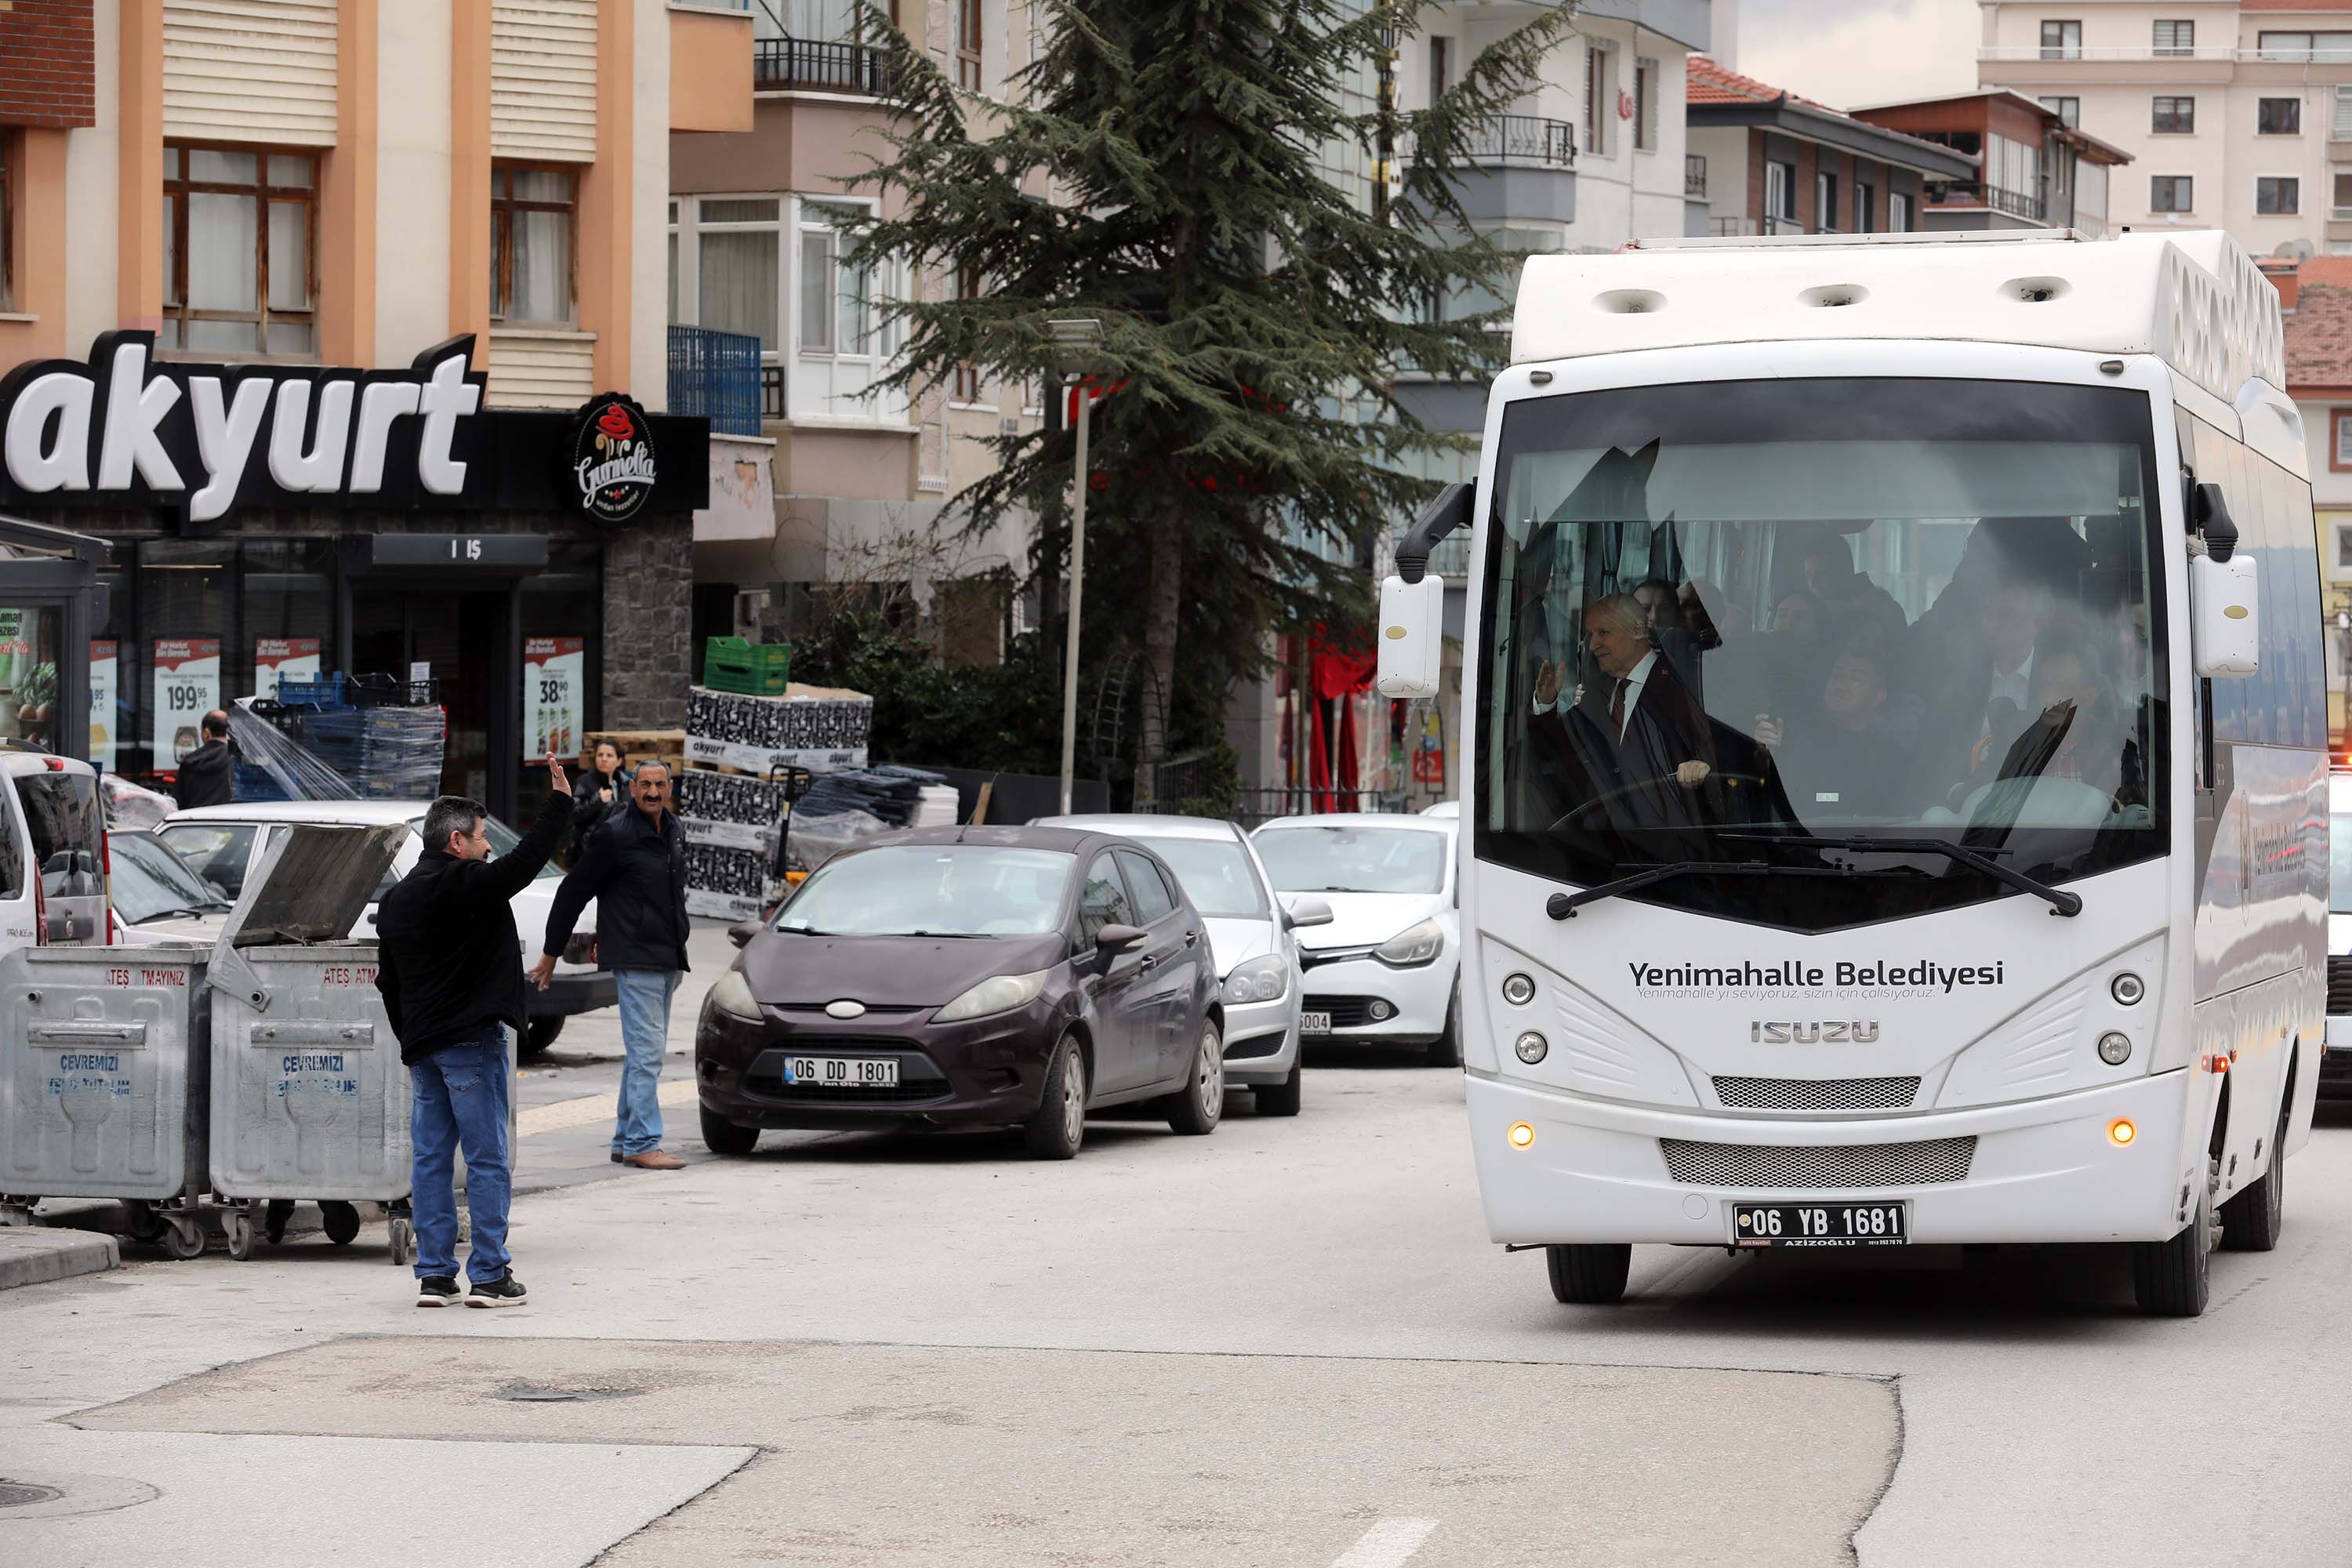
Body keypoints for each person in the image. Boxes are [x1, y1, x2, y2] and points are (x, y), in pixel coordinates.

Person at [374, 746, 573, 1308]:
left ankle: (435, 1277)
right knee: (486, 1159)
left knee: (431, 1160)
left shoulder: (395, 901)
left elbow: (388, 982)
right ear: (456, 842)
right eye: (483, 837)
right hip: (470, 1041)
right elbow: (526, 861)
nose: (489, 847)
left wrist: (409, 1038)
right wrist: (559, 803)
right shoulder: (466, 882)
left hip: (424, 1048)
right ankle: (489, 1274)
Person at [535, 760, 691, 1170]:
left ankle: (627, 1139)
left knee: (645, 1052)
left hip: (666, 957)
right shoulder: (615, 835)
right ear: (632, 788)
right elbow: (573, 891)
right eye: (645, 785)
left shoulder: (673, 829)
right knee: (648, 1053)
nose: (653, 792)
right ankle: (643, 1141)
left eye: (660, 784)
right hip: (634, 955)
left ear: (670, 788)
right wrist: (552, 953)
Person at [1756, 636, 1904, 818]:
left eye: (1856, 679)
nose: (1841, 685)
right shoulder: (1790, 737)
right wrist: (1761, 753)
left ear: (1878, 696)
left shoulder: (1889, 754)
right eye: (1837, 675)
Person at [571, 740, 631, 862]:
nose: (604, 759)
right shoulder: (584, 781)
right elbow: (574, 815)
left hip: (619, 848)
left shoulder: (626, 785)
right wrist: (598, 800)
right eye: (600, 755)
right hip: (589, 849)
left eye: (609, 756)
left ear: (619, 761)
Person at [172, 710, 234, 809]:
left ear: (206, 733)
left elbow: (178, 802)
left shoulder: (189, 761)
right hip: (226, 821)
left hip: (194, 821)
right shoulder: (235, 760)